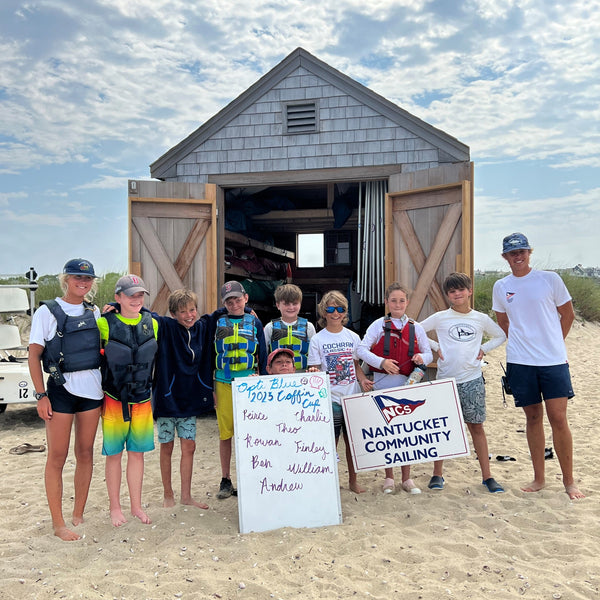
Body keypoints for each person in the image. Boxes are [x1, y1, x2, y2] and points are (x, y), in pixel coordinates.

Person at [492, 233, 584, 499]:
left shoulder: (549, 279)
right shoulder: (501, 286)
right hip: (520, 362)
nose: (517, 256)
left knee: (558, 418)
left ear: (529, 252)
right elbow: (503, 322)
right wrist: (524, 344)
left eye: (521, 251)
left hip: (553, 361)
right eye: (512, 253)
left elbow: (568, 314)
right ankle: (539, 478)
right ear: (505, 257)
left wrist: (554, 342)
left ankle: (569, 481)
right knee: (533, 418)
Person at [28, 258, 103, 541]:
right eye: (76, 278)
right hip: (60, 391)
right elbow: (34, 356)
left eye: (87, 279)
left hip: (92, 391)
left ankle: (78, 514)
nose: (82, 283)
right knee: (56, 457)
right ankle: (59, 524)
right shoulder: (47, 312)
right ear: (66, 280)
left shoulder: (94, 312)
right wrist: (41, 396)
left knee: (85, 453)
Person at [420, 273, 506, 493]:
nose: (457, 294)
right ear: (448, 295)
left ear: (470, 291)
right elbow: (415, 330)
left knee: (476, 427)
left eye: (461, 290)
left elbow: (500, 335)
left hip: (472, 380)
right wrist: (436, 347)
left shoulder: (480, 318)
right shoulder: (440, 317)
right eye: (452, 291)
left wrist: (483, 349)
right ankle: (437, 474)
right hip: (445, 381)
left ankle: (487, 476)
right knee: (442, 427)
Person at [357, 283, 433, 494]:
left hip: (408, 384)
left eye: (401, 300)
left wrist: (420, 357)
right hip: (383, 383)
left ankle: (407, 478)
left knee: (406, 432)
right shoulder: (378, 325)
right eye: (393, 300)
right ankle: (389, 477)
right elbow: (361, 349)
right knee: (387, 433)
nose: (398, 304)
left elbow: (429, 354)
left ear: (407, 302)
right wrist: (382, 362)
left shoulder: (416, 327)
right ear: (386, 302)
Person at [97, 274, 159, 526]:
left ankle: (136, 506)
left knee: (137, 454)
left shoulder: (152, 323)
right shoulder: (103, 323)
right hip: (114, 398)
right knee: (114, 455)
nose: (136, 299)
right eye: (131, 295)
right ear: (117, 297)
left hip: (142, 399)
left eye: (140, 295)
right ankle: (115, 507)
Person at [307, 290, 374, 493]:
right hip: (330, 398)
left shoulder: (353, 337)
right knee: (331, 442)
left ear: (345, 312)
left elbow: (356, 365)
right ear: (324, 312)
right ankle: (330, 482)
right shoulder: (317, 340)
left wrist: (363, 381)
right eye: (331, 309)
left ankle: (353, 481)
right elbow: (315, 370)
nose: (335, 313)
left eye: (340, 309)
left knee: (351, 443)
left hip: (351, 397)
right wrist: (312, 373)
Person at [152, 289, 212, 509]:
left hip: (188, 402)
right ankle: (168, 494)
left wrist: (248, 309)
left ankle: (186, 496)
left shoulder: (202, 327)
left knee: (189, 447)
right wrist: (116, 305)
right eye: (183, 312)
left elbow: (217, 315)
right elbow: (142, 314)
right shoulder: (166, 327)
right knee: (166, 447)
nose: (189, 315)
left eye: (192, 309)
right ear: (173, 313)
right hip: (167, 401)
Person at [208, 281, 268, 499]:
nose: (234, 304)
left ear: (246, 298)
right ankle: (226, 479)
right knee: (226, 434)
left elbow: (262, 354)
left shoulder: (255, 323)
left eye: (237, 299)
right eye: (229, 301)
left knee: (250, 433)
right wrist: (210, 387)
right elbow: (209, 354)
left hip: (250, 384)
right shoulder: (216, 321)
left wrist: (263, 381)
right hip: (223, 383)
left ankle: (250, 477)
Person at [263, 283, 316, 371]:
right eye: (286, 304)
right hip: (278, 376)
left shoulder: (309, 327)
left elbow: (314, 355)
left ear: (300, 304)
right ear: (278, 305)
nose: (291, 307)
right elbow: (263, 355)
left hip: (303, 376)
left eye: (295, 303)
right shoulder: (270, 327)